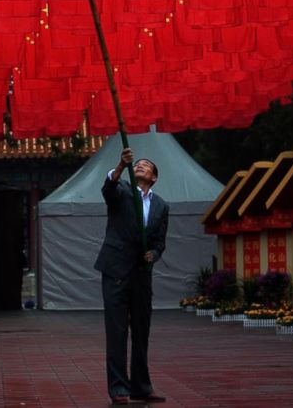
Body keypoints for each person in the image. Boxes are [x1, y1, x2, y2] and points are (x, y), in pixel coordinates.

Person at [94, 146, 169, 404]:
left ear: (154, 177)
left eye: (146, 165)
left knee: (141, 331)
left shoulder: (161, 206)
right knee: (116, 332)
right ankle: (118, 388)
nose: (141, 166)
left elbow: (160, 241)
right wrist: (120, 167)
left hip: (141, 274)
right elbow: (108, 190)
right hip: (116, 269)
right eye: (139, 164)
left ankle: (141, 386)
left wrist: (155, 255)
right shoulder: (123, 191)